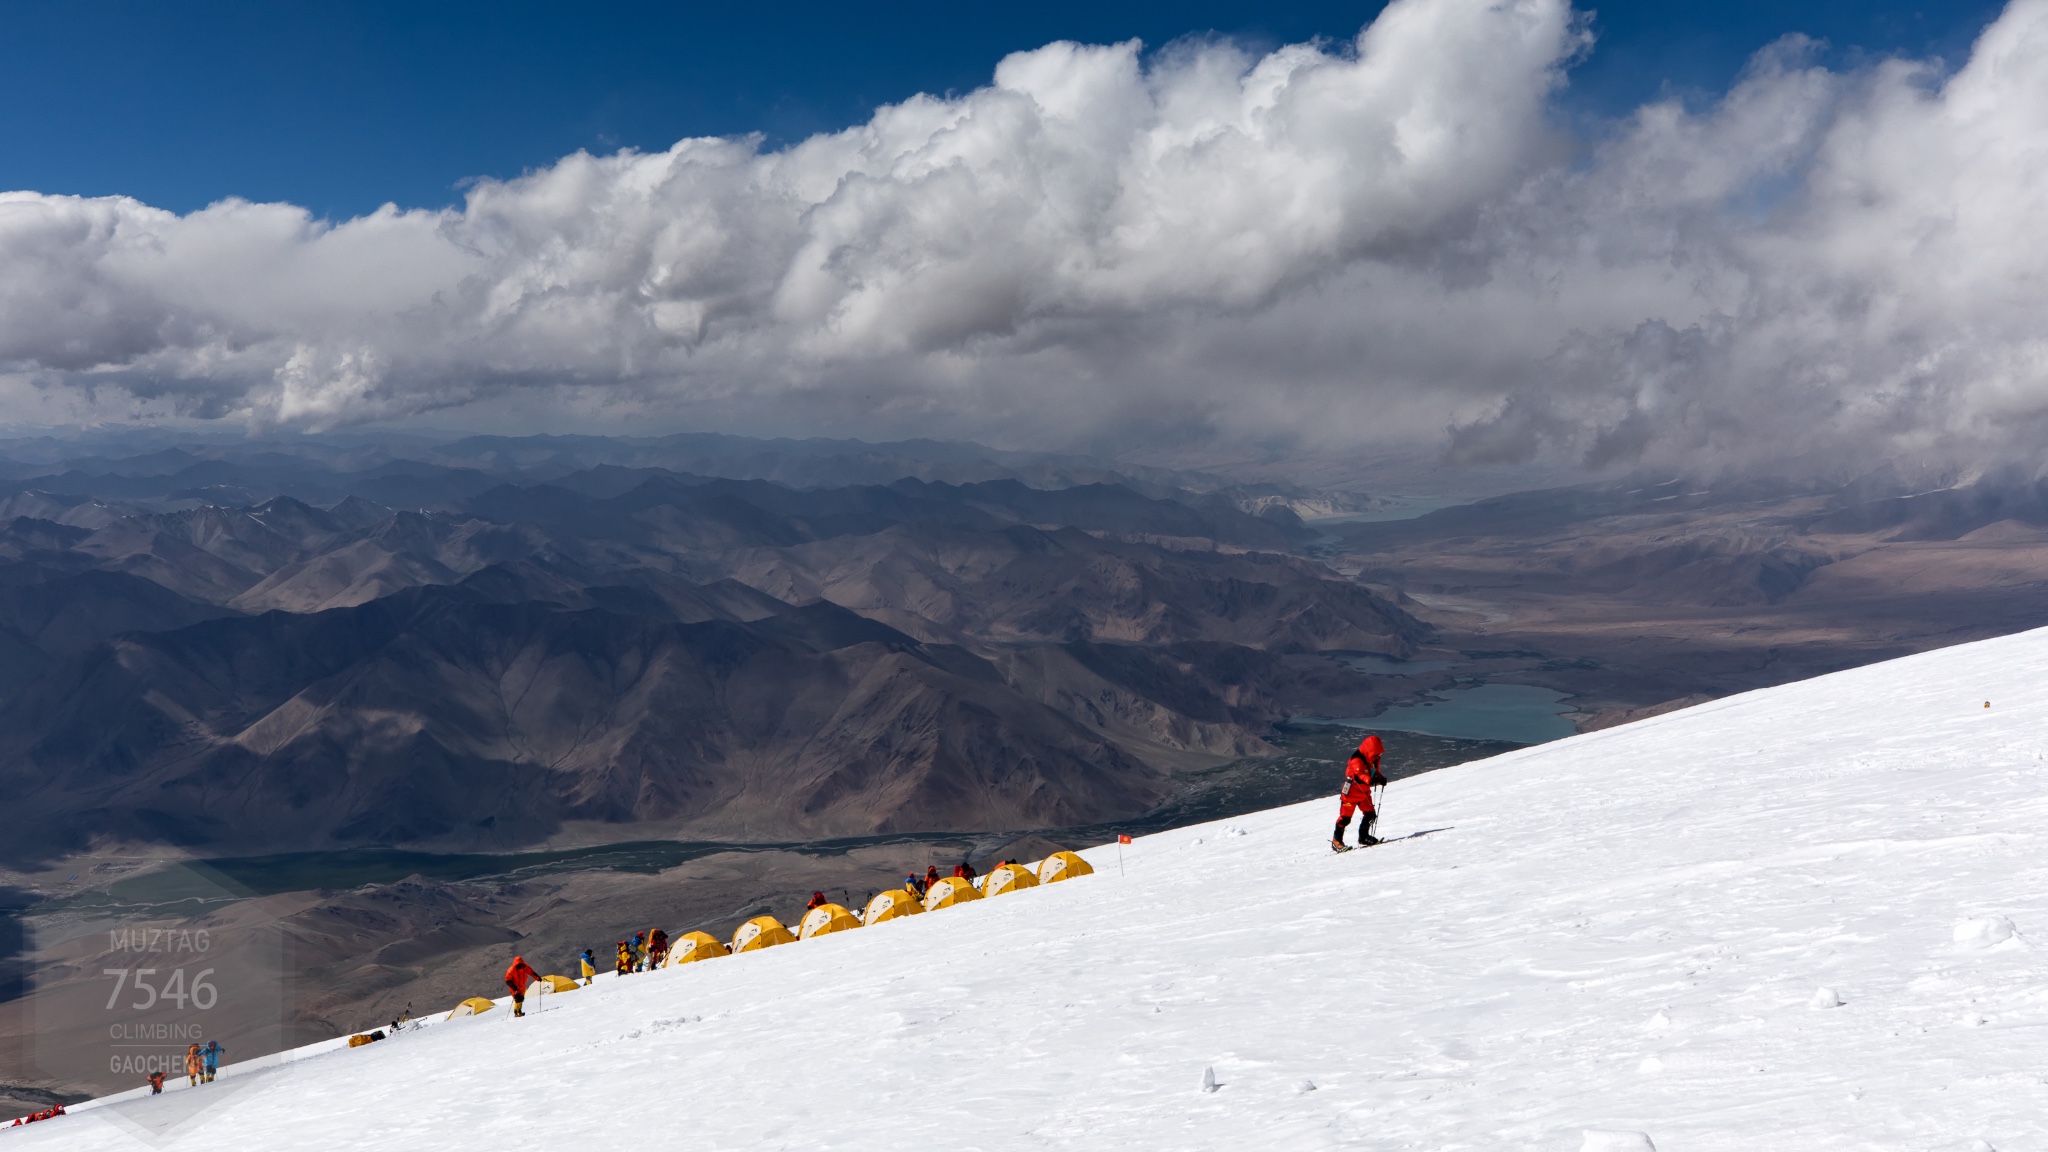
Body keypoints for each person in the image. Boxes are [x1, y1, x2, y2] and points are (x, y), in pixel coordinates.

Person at [1332, 733, 1387, 850]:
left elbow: (1373, 772)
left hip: (1363, 793)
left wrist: (1380, 778)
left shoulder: (1372, 759)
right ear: (1370, 751)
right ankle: (1336, 841)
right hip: (1351, 794)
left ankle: (1363, 837)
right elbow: (1358, 775)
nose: (1378, 756)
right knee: (1345, 818)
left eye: (1379, 754)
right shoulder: (1357, 760)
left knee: (1370, 814)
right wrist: (1371, 780)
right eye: (1377, 753)